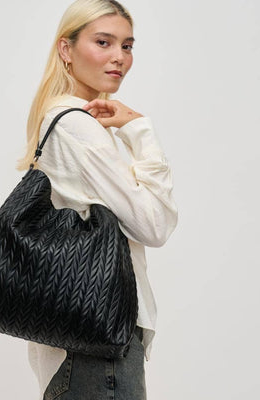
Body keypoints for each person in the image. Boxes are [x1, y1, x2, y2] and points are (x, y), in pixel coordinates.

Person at [16, 0, 178, 399]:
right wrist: (140, 129)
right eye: (103, 42)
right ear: (66, 49)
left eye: (127, 45)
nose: (119, 57)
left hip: (76, 340)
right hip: (97, 341)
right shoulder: (76, 126)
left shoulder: (66, 120)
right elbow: (154, 226)